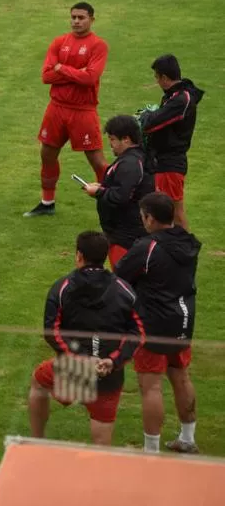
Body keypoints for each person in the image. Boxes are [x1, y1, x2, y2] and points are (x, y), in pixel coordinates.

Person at [28, 231, 144, 446]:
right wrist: (113, 361)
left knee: (38, 384)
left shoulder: (62, 288)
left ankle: (37, 443)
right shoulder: (125, 290)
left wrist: (80, 359)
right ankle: (99, 477)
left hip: (71, 370)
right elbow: (137, 334)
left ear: (79, 255)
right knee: (101, 442)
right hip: (108, 374)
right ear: (106, 255)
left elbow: (51, 331)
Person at [116, 192, 202, 454]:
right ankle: (187, 439)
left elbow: (120, 274)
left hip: (153, 323)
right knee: (181, 377)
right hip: (184, 318)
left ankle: (150, 451)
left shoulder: (147, 247)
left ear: (151, 219)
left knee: (151, 386)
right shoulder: (188, 241)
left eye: (143, 217)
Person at [25, 3, 109, 217]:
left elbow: (90, 77)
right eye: (73, 17)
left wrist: (61, 68)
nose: (76, 21)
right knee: (47, 153)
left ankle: (113, 202)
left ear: (91, 19)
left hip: (83, 111)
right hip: (56, 109)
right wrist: (75, 73)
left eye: (81, 17)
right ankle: (47, 203)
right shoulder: (59, 42)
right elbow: (46, 76)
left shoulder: (98, 46)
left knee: (97, 160)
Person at [138, 54, 204, 231]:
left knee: (174, 212)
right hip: (164, 161)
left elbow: (152, 124)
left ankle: (185, 252)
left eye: (157, 78)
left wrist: (145, 117)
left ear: (164, 77)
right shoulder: (174, 96)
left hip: (171, 163)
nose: (157, 82)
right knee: (164, 211)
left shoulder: (181, 99)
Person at [82, 115, 154, 267]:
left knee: (124, 282)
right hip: (124, 233)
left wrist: (99, 192)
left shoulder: (130, 163)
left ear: (126, 139)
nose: (110, 144)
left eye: (113, 139)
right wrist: (102, 188)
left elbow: (121, 196)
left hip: (126, 236)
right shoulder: (132, 158)